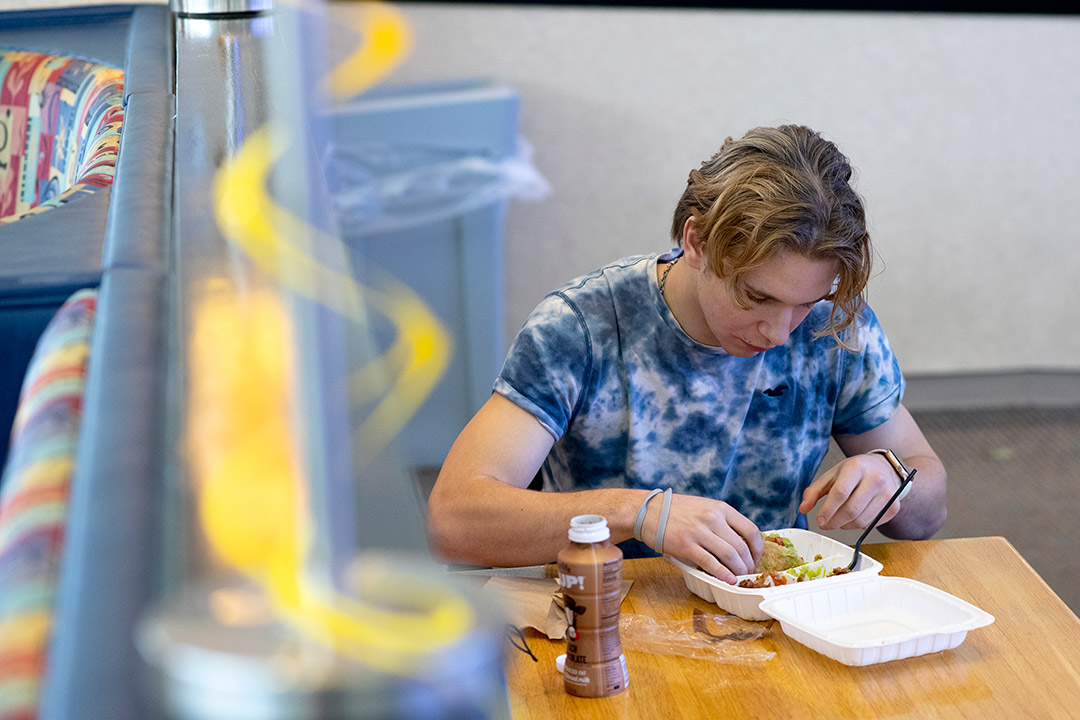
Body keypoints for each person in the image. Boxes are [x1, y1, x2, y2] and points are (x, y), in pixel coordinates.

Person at [426, 124, 946, 583]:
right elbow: (454, 520)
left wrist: (891, 478)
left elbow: (928, 515)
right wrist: (638, 513)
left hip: (779, 611)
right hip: (609, 611)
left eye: (806, 303)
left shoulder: (832, 332)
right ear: (696, 241)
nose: (780, 332)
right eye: (757, 297)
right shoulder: (581, 328)